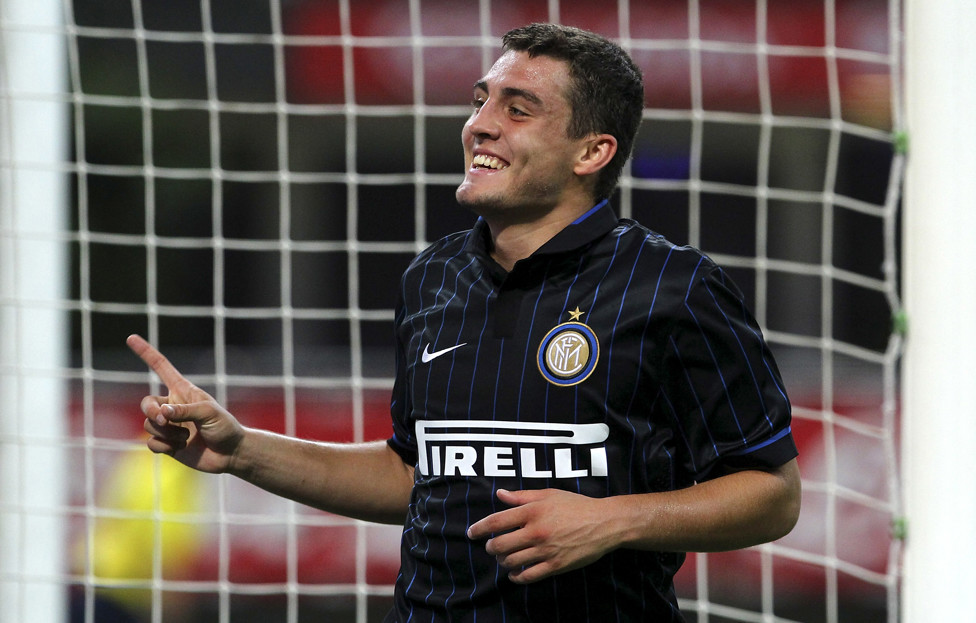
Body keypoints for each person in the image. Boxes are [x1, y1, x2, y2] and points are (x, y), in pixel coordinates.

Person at [129, 23, 800, 622]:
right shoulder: (433, 278)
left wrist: (611, 520)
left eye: (518, 108)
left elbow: (772, 492)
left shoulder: (674, 285)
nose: (480, 124)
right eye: (480, 100)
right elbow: (414, 474)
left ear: (591, 153)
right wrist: (241, 450)